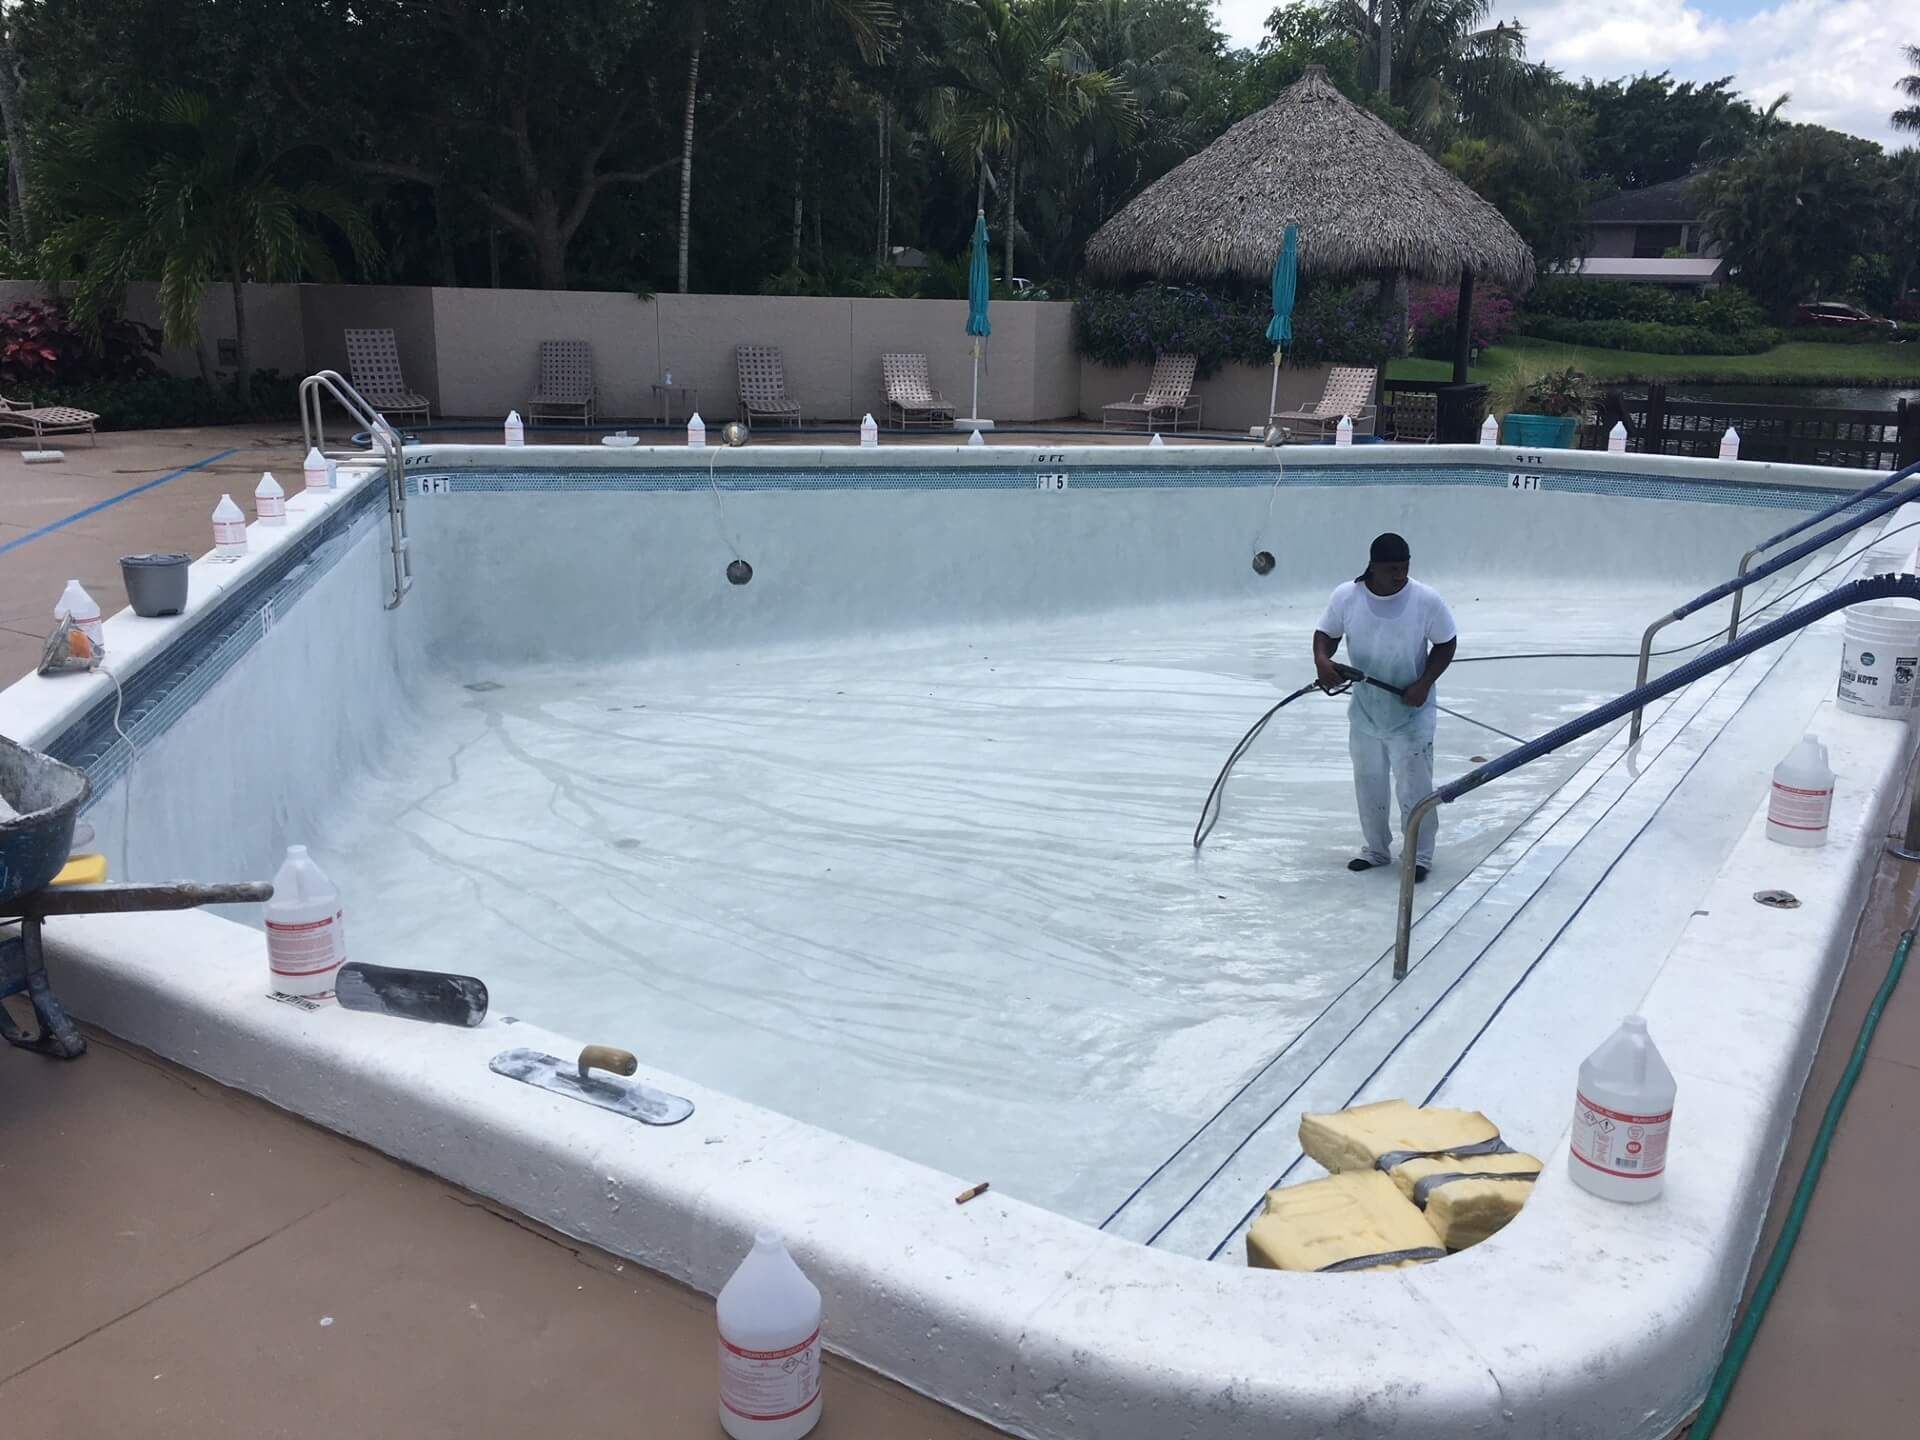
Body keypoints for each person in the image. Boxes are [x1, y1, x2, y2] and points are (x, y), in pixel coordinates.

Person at [1312, 533, 1457, 881]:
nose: (1400, 574)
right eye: (1392, 568)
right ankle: (1376, 850)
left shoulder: (1425, 600)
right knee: (1369, 783)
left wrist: (1424, 684)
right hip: (1366, 711)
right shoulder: (1347, 596)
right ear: (1373, 567)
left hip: (1411, 712)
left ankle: (1419, 856)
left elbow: (1446, 643)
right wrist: (1322, 661)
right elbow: (1326, 634)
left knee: (1415, 787)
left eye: (1405, 567)